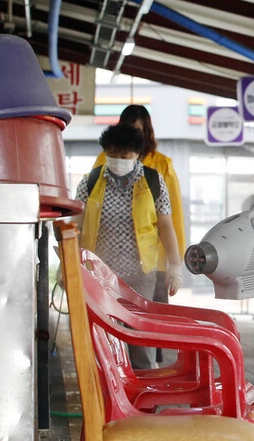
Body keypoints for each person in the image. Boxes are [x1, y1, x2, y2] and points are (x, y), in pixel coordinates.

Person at [75, 123, 183, 369]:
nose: (118, 159)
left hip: (140, 275)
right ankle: (110, 393)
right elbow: (76, 228)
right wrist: (69, 265)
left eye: (125, 154)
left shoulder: (153, 182)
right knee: (104, 338)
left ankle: (143, 397)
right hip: (100, 274)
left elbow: (166, 226)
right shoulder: (90, 182)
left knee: (139, 338)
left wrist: (175, 267)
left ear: (137, 154)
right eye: (112, 153)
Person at [93, 105, 186, 306]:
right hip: (105, 262)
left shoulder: (162, 166)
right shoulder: (103, 162)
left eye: (137, 129)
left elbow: (172, 219)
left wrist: (175, 263)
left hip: (153, 262)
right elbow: (89, 212)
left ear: (146, 132)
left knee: (151, 316)